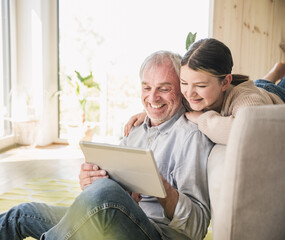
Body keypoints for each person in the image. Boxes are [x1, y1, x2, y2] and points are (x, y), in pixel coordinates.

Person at [0, 51, 214, 240]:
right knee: (21, 215)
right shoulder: (136, 129)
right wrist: (92, 182)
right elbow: (110, 196)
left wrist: (163, 189)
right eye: (146, 87)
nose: (152, 97)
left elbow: (197, 229)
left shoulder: (191, 137)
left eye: (164, 89)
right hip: (113, 223)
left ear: (181, 90)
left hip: (155, 232)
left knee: (103, 192)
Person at [124, 38, 285, 145]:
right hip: (256, 88)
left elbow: (246, 133)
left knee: (263, 87)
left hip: (275, 97)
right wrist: (149, 112)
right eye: (184, 83)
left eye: (200, 86)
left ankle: (275, 74)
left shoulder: (245, 99)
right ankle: (276, 71)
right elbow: (168, 101)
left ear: (225, 82)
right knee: (260, 83)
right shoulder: (190, 95)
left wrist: (203, 119)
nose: (189, 93)